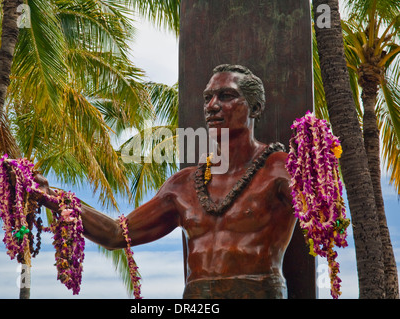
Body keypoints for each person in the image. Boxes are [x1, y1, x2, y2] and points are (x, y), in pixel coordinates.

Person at [36, 64, 297, 299]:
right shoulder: (183, 185)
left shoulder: (281, 168)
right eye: (208, 98)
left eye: (226, 96)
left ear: (256, 107)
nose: (212, 106)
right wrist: (52, 197)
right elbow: (117, 233)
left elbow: (325, 218)